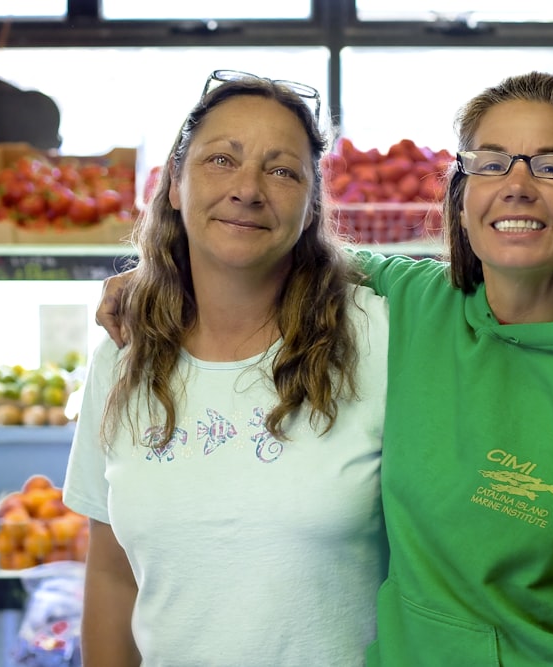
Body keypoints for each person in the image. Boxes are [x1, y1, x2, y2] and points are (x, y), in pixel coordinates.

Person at [96, 71, 553, 666]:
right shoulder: (421, 308)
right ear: (462, 195)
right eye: (491, 162)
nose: (518, 184)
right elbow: (277, 245)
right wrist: (159, 277)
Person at [64, 70, 390, 667]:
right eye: (221, 160)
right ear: (174, 187)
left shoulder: (376, 338)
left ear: (312, 204)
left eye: (283, 170)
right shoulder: (123, 348)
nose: (248, 189)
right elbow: (113, 576)